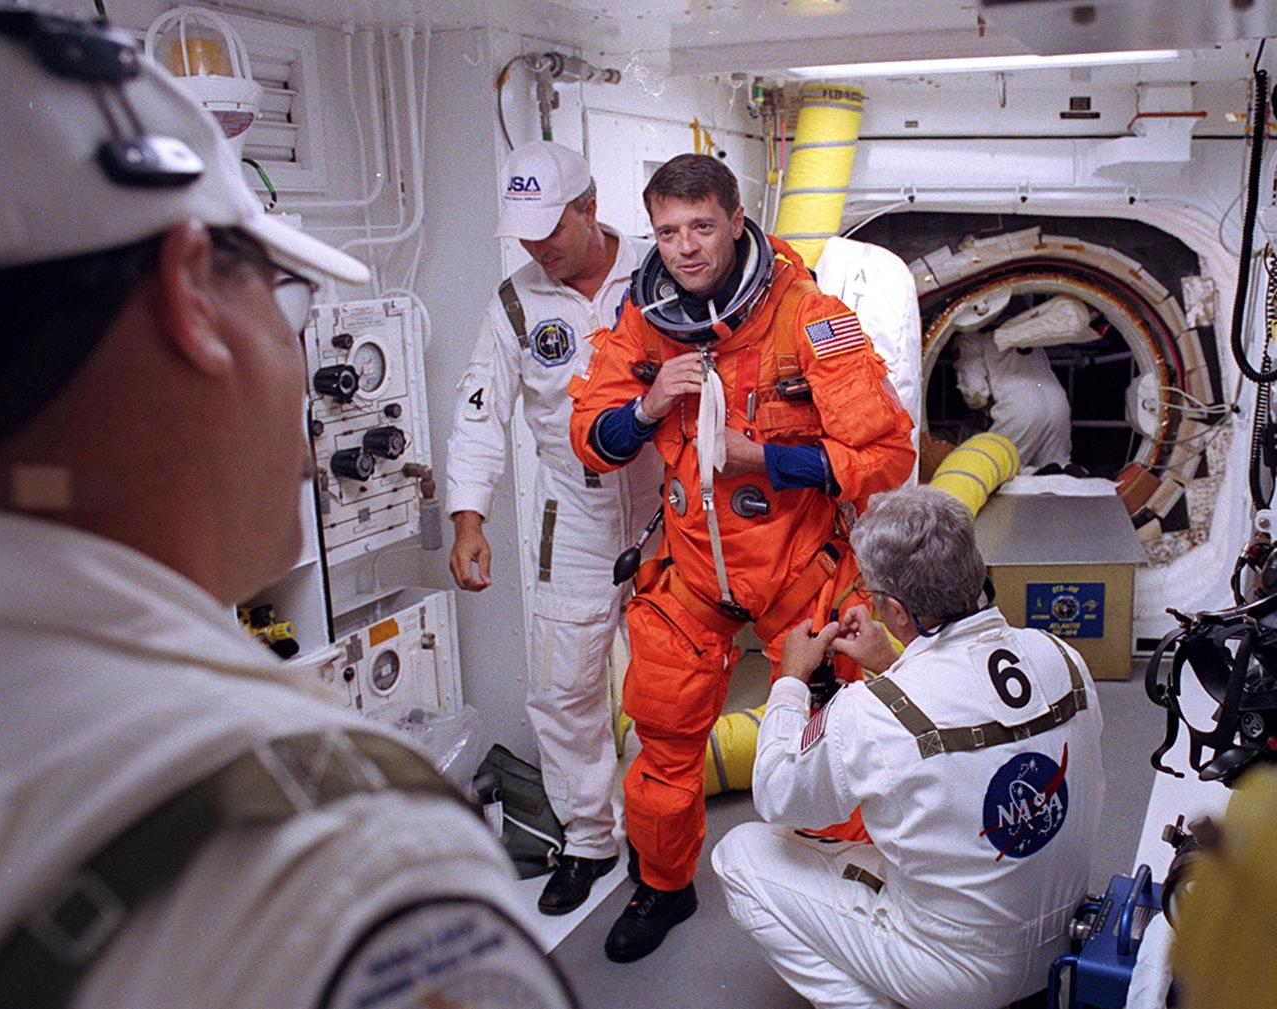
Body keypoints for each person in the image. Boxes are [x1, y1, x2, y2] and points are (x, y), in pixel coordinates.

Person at [0, 11, 574, 1008]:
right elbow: (480, 422)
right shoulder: (342, 857)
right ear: (192, 297)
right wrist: (470, 513)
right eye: (279, 289)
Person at [569, 153, 915, 962]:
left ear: (734, 219)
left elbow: (886, 453)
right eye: (666, 230)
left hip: (798, 570)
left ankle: (853, 878)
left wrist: (766, 459)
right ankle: (663, 884)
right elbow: (590, 433)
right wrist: (651, 403)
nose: (685, 247)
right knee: (660, 736)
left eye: (700, 227)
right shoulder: (645, 318)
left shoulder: (809, 319)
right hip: (693, 573)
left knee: (841, 737)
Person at [712, 486, 1105, 1009]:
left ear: (896, 609)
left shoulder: (871, 711)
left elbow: (780, 796)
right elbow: (977, 723)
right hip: (1064, 945)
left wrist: (789, 681)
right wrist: (895, 663)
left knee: (739, 855)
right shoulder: (1061, 655)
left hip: (960, 972)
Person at [446, 140, 662, 915]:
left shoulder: (655, 272)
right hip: (569, 507)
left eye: (553, 228)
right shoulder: (516, 301)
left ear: (591, 207)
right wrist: (469, 518)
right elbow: (480, 413)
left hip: (664, 505)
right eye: (527, 232)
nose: (540, 246)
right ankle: (588, 839)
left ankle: (657, 840)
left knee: (665, 680)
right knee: (564, 685)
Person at [954, 332, 1072, 470]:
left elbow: (975, 393)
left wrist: (978, 406)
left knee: (994, 469)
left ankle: (1032, 474)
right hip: (1058, 404)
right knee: (1057, 471)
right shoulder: (1028, 327)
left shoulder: (970, 337)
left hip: (1020, 409)